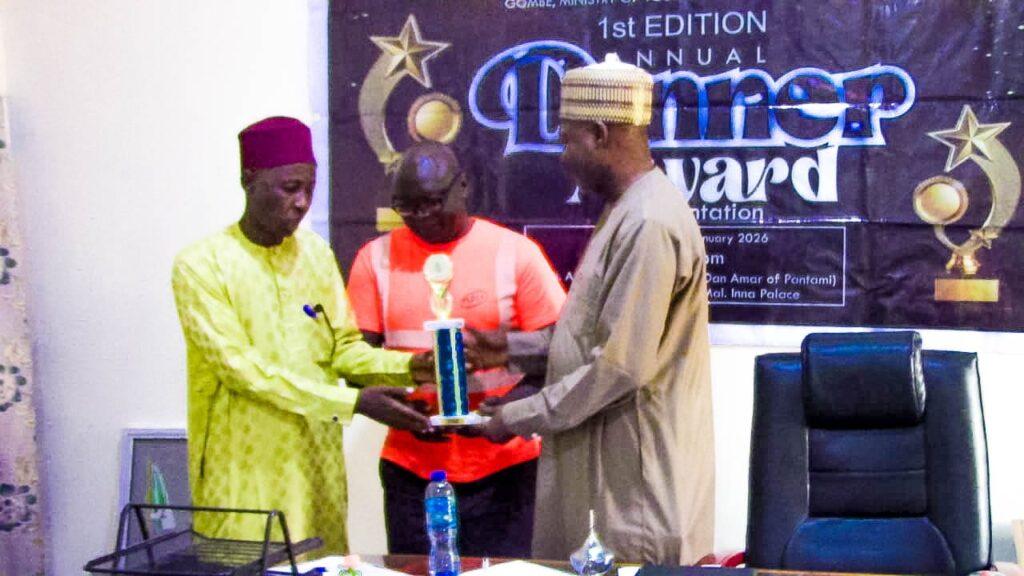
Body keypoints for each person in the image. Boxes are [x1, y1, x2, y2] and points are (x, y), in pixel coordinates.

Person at [478, 55, 716, 564]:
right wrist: (505, 348)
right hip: (608, 479)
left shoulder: (649, 222)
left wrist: (515, 417)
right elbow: (586, 333)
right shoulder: (626, 209)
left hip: (633, 492)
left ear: (600, 134)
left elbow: (618, 367)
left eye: (568, 140)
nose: (563, 157)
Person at [171, 116, 434, 553]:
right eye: (289, 188)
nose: (302, 202)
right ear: (249, 180)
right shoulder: (201, 266)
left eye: (309, 189)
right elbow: (243, 371)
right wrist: (352, 403)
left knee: (323, 563)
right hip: (243, 474)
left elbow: (344, 349)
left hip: (316, 469)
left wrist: (412, 366)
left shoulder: (314, 254)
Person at [346, 141, 567, 557]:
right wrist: (397, 403)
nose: (420, 216)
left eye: (431, 202)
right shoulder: (373, 260)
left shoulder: (515, 254)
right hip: (411, 472)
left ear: (463, 186)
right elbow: (356, 364)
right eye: (405, 207)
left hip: (507, 468)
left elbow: (560, 351)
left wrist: (510, 409)